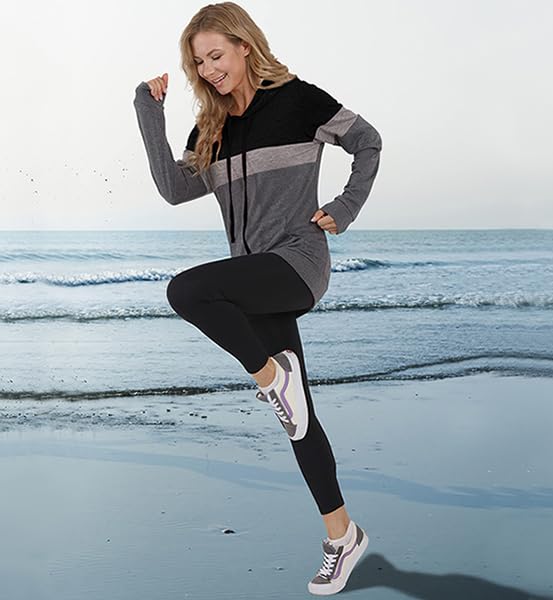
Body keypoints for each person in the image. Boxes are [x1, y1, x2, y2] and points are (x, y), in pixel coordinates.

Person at [132, 2, 381, 595]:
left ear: (245, 46)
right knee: (300, 422)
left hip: (297, 263)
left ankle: (270, 376)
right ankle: (343, 536)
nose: (209, 70)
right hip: (253, 281)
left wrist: (344, 207)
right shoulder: (212, 129)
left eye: (216, 55)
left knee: (187, 289)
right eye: (199, 63)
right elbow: (173, 189)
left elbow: (368, 143)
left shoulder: (299, 101)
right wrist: (148, 110)